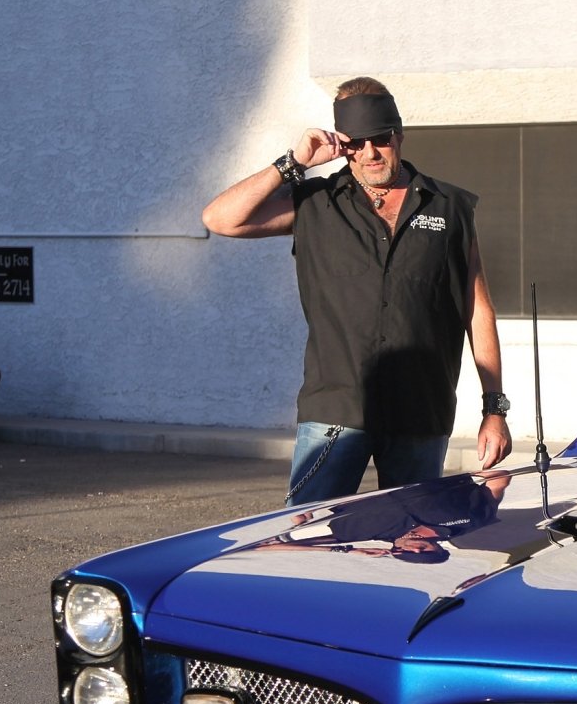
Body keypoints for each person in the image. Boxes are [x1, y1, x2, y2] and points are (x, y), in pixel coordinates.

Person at [202, 77, 512, 506]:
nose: (370, 153)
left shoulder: (450, 208)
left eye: (381, 139)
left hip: (420, 411)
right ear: (342, 144)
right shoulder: (314, 203)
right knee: (311, 539)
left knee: (414, 543)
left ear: (399, 136)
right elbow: (220, 219)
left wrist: (494, 410)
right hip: (335, 411)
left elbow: (477, 311)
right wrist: (293, 162)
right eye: (356, 143)